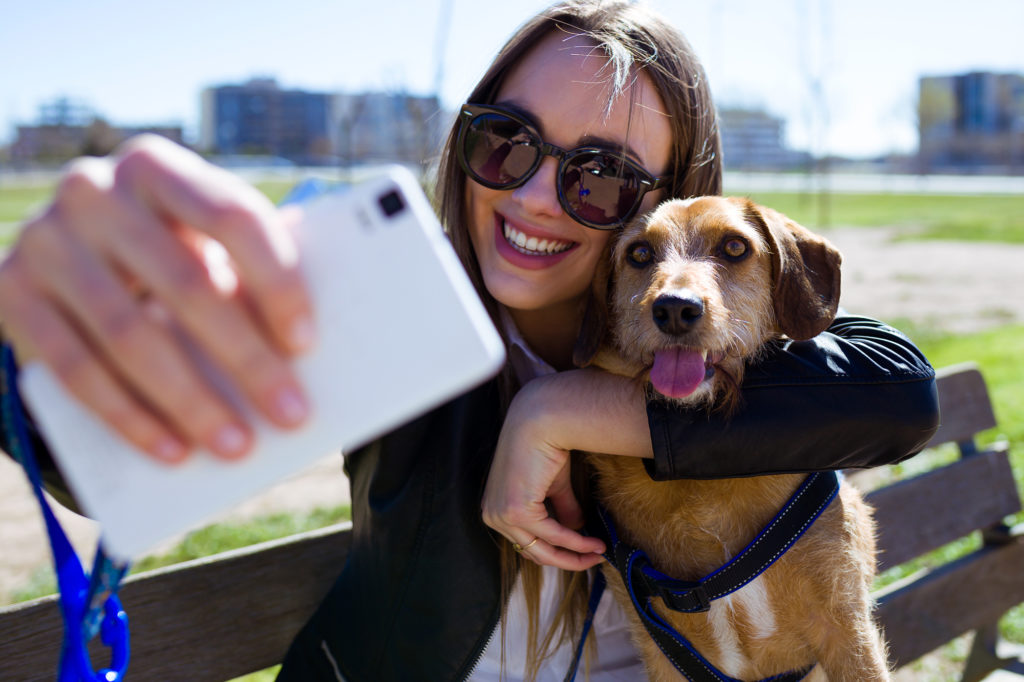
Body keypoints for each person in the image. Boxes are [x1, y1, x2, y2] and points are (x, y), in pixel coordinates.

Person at [0, 1, 939, 680]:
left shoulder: (700, 331)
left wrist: (558, 406)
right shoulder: (395, 317)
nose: (532, 196)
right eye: (507, 141)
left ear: (670, 202)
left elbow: (901, 393)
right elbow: (99, 455)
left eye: (603, 176)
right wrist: (39, 328)